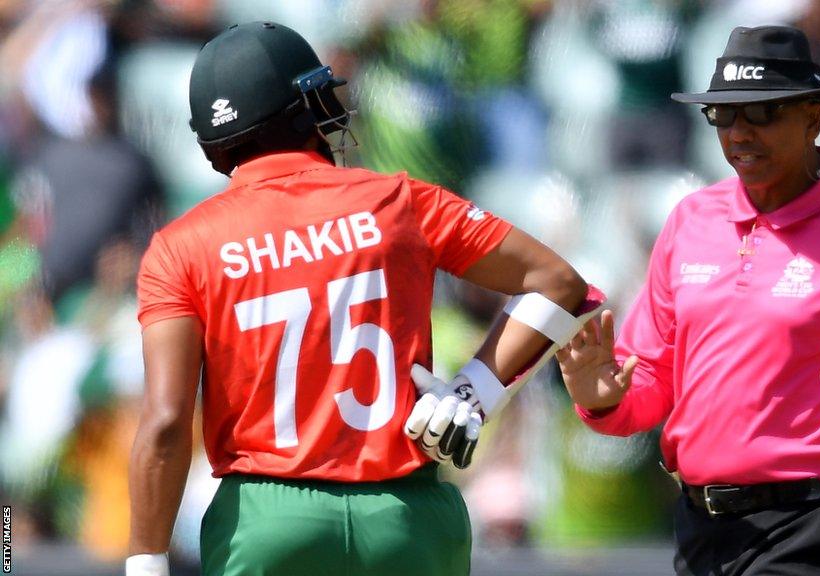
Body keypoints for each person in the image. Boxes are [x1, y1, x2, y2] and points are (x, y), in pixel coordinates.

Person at [126, 21, 597, 576]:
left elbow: (164, 421)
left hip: (265, 522)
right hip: (407, 516)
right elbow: (560, 283)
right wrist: (471, 397)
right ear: (303, 108)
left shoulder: (180, 246)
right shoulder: (398, 201)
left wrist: (146, 559)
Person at [556, 25, 820, 576]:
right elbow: (652, 381)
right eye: (724, 116)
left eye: (762, 113)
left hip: (819, 524)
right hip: (702, 529)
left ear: (813, 117)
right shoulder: (690, 222)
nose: (739, 134)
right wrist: (604, 399)